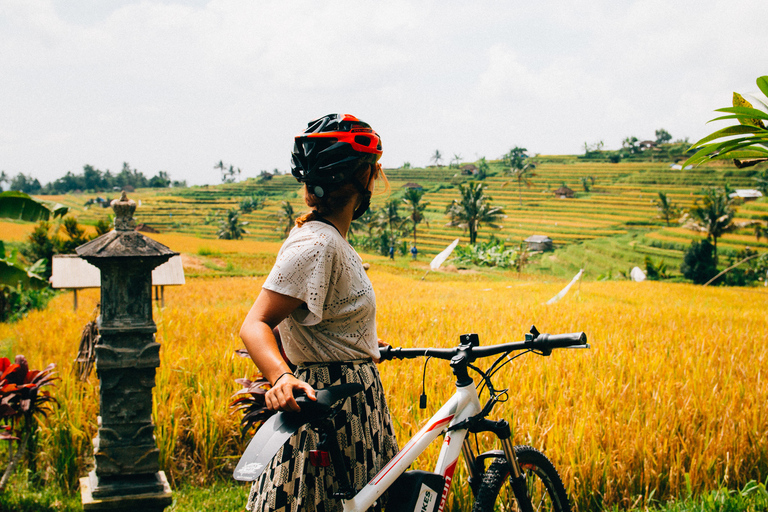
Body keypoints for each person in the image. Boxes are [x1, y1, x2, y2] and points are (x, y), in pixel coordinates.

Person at [239, 114, 398, 512]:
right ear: (366, 177)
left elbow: (315, 318)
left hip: (356, 400)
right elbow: (255, 324)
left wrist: (355, 340)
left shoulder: (331, 241)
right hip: (330, 404)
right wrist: (281, 376)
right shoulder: (317, 245)